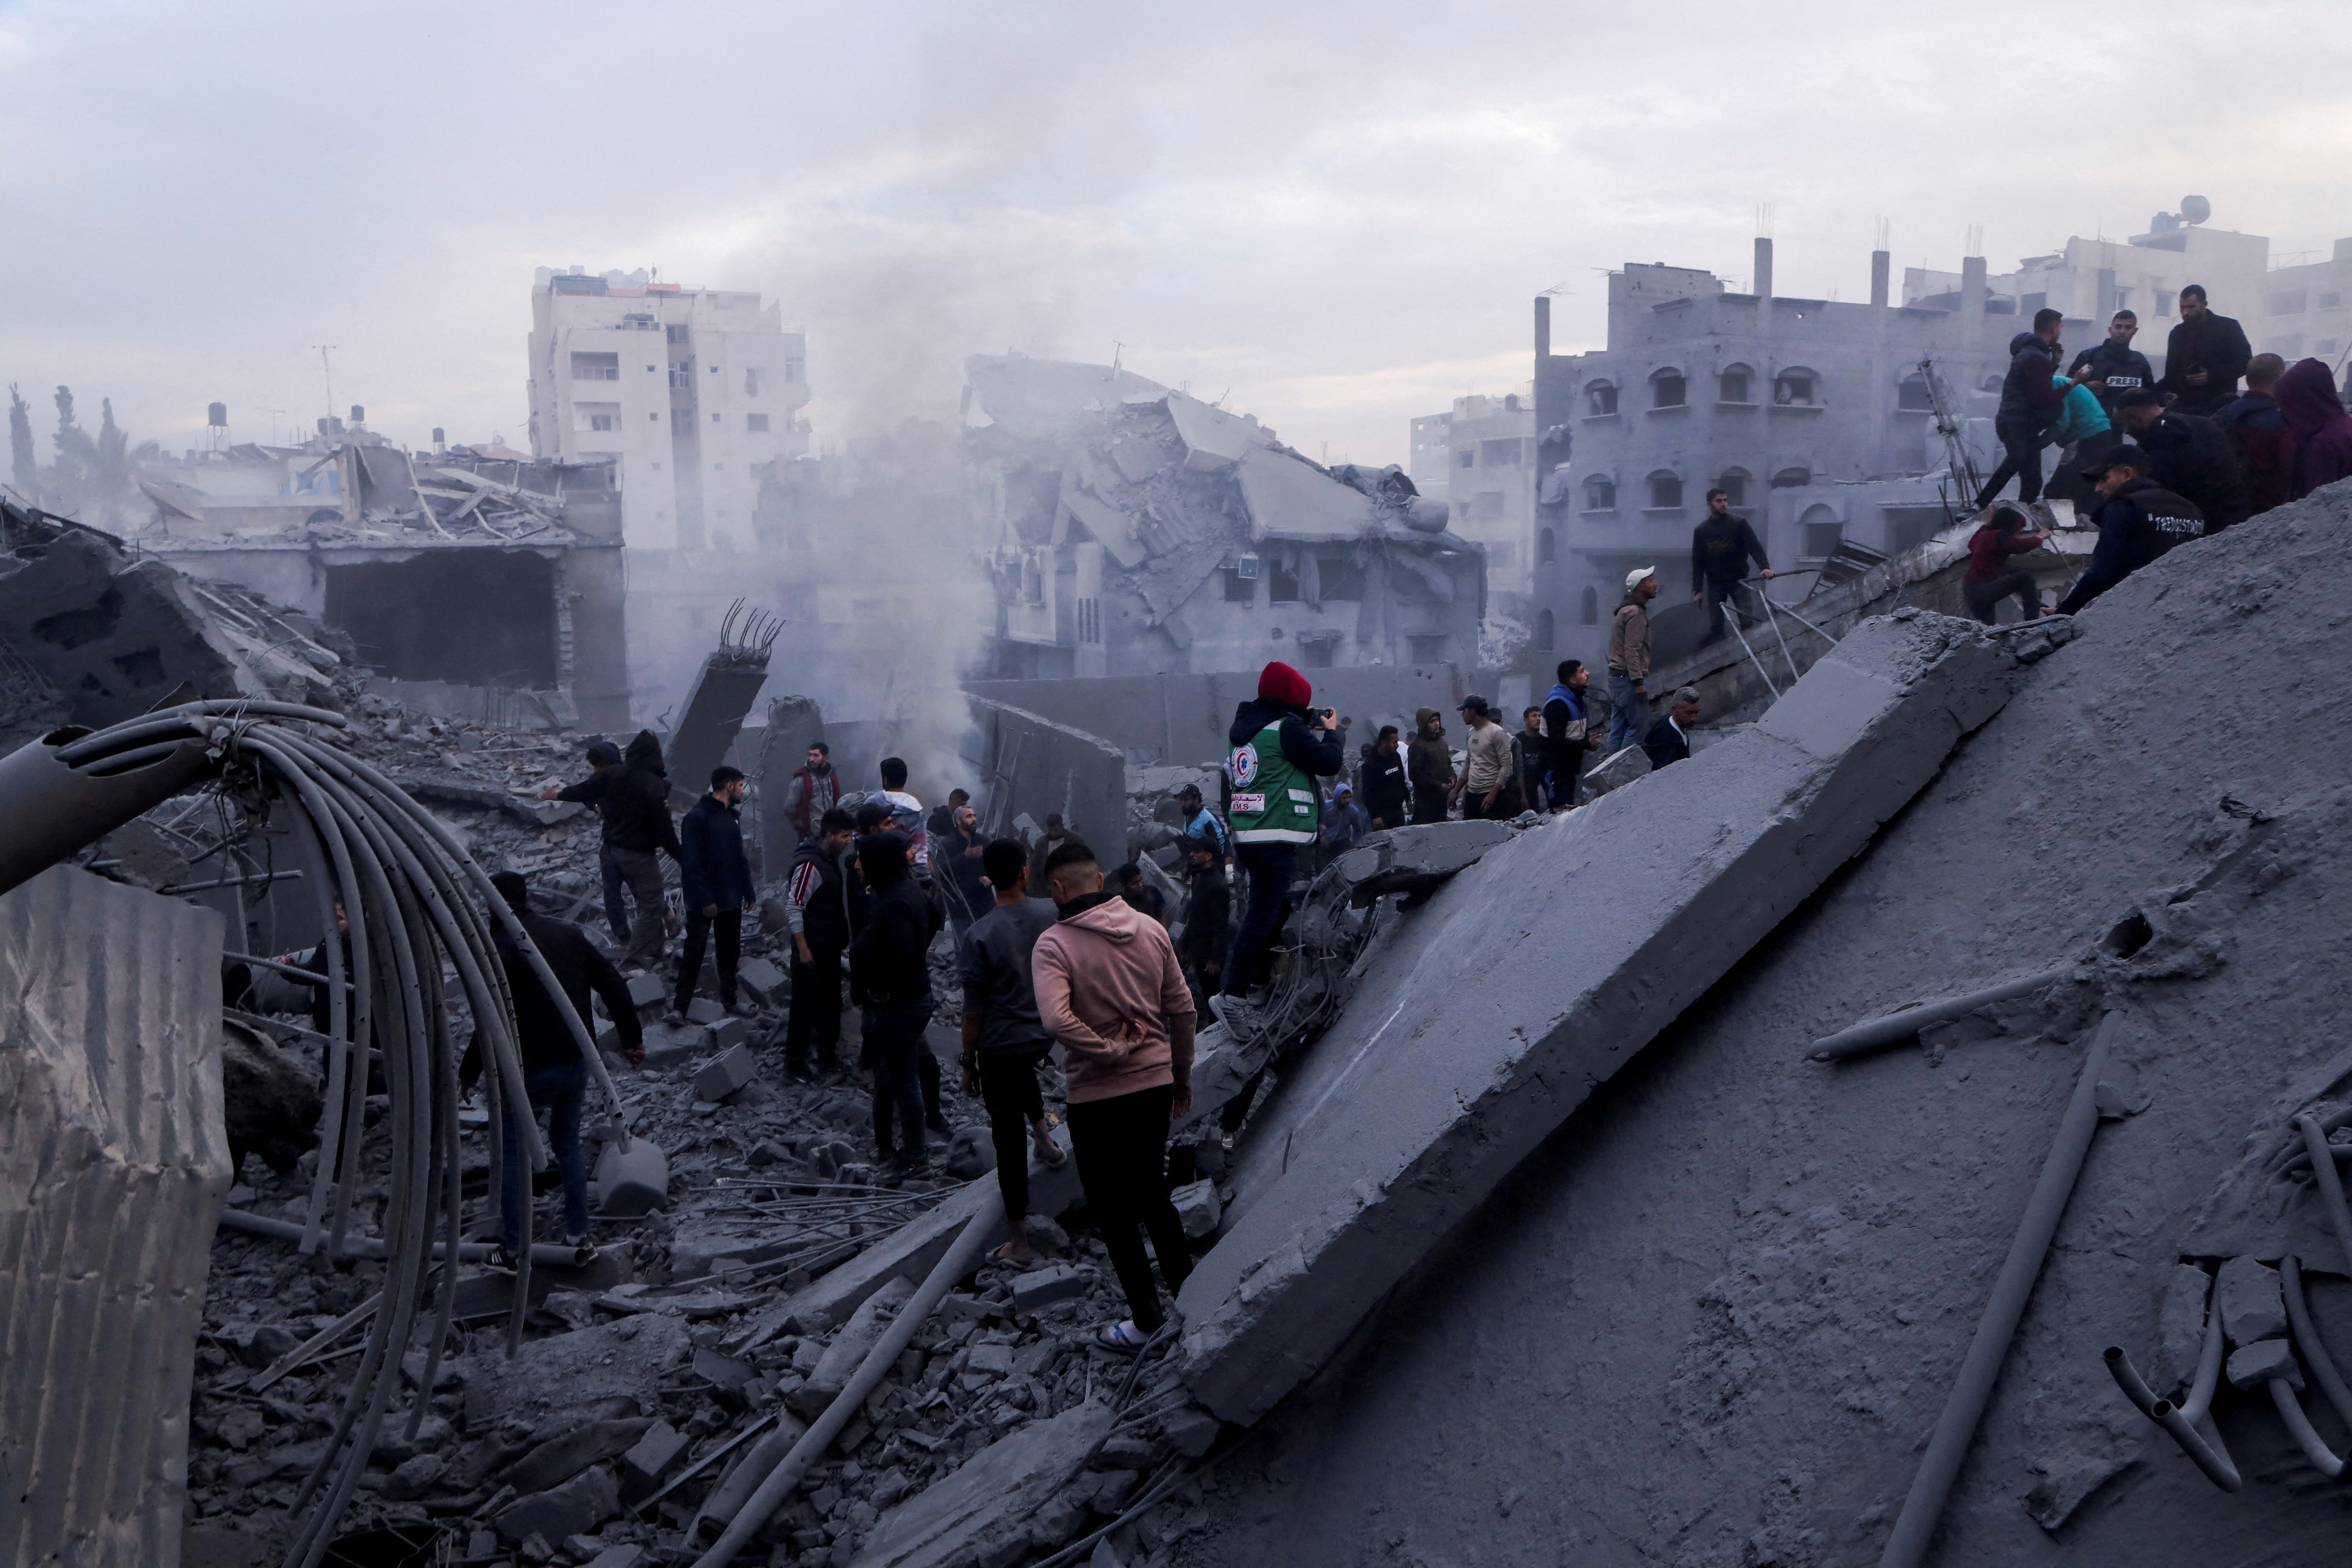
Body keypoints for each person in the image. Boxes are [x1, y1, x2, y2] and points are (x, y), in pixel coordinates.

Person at [1029, 837, 1197, 1352]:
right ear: (1099, 881)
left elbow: (1055, 1018)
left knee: (1115, 1210)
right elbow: (1185, 1010)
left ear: (1057, 889)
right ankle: (1194, 1298)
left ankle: (1147, 1322)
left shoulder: (1054, 945)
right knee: (1153, 1194)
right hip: (1154, 1085)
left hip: (1096, 1098)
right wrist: (1182, 1073)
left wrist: (1104, 1050)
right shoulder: (1151, 929)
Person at [484, 870, 642, 1262]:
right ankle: (578, 1236)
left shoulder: (499, 947)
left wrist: (469, 1070)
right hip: (576, 1060)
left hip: (531, 1068)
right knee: (567, 1142)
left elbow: (489, 1016)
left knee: (513, 1151)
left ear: (492, 901)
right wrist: (632, 1037)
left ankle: (514, 1248)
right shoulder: (567, 935)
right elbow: (612, 981)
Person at [1212, 661, 1342, 1042]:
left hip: (1251, 836)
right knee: (1261, 914)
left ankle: (1258, 981)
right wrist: (1332, 734)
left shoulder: (1248, 731)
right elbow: (1329, 762)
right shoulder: (1286, 729)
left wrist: (1304, 724)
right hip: (1274, 835)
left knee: (1273, 907)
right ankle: (1233, 995)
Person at [957, 838, 1068, 1263]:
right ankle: (1043, 1138)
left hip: (1002, 1043)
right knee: (1019, 1065)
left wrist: (969, 1063)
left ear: (989, 877)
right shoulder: (1050, 912)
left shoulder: (979, 934)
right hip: (1047, 1032)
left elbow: (973, 1010)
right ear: (1025, 872)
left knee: (1006, 1139)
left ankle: (1019, 1241)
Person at [849, 828, 943, 1178]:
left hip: (900, 1004)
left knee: (904, 1081)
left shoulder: (894, 902)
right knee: (891, 1074)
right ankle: (887, 1147)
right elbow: (933, 919)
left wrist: (878, 986)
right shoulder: (904, 891)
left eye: (863, 858)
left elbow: (903, 953)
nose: (857, 864)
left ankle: (916, 1158)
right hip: (911, 998)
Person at [543, 731, 678, 969]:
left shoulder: (618, 775)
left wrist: (561, 795)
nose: (597, 769)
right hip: (634, 852)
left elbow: (585, 790)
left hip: (615, 848)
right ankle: (634, 954)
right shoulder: (647, 783)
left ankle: (654, 948)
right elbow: (664, 827)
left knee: (643, 899)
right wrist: (682, 856)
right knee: (648, 901)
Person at [2054, 445, 2206, 615]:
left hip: (2139, 609)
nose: (2098, 488)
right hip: (2190, 606)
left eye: (2104, 479)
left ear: (2127, 474)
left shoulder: (2122, 508)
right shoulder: (2191, 510)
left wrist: (2063, 613)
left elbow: (2101, 573)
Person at [1975, 311, 2095, 510]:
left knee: (2033, 480)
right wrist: (2075, 382)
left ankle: (2022, 519)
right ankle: (1979, 505)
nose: (2061, 332)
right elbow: (2043, 399)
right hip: (2018, 423)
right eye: (2061, 327)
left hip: (2022, 423)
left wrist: (2054, 363)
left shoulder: (2033, 354)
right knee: (2016, 459)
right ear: (2054, 328)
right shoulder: (2035, 357)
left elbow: (2038, 385)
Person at [673, 765, 754, 1021]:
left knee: (729, 953)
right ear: (729, 786)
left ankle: (730, 1001)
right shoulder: (698, 818)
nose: (743, 791)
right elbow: (691, 863)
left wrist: (748, 889)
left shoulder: (732, 816)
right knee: (694, 953)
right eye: (741, 786)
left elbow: (738, 857)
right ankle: (680, 1008)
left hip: (731, 898)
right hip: (704, 902)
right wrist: (705, 899)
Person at [783, 808, 858, 1080]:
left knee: (829, 1003)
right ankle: (795, 1064)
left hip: (827, 949)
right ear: (829, 836)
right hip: (811, 951)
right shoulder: (810, 866)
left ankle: (827, 1056)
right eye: (845, 836)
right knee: (804, 1007)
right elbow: (794, 908)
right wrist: (803, 949)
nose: (849, 841)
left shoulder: (829, 860)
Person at [2113, 390, 2250, 530]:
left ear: (2133, 417)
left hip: (2199, 525)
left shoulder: (2154, 443)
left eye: (2123, 424)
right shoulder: (2204, 424)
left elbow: (2156, 496)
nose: (2125, 431)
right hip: (2237, 514)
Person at [542, 738, 628, 943]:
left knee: (641, 892)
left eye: (599, 765)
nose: (597, 770)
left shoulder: (626, 779)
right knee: (612, 892)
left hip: (632, 846)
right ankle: (625, 936)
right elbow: (588, 794)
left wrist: (558, 795)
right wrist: (596, 807)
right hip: (611, 842)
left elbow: (581, 791)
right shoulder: (603, 777)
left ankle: (652, 931)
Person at [1689, 489, 1776, 645]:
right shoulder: (1702, 531)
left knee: (1747, 622)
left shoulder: (1739, 524)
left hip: (1739, 581)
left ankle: (1748, 653)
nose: (1723, 504)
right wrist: (1698, 590)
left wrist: (1765, 567)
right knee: (1716, 626)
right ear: (1710, 504)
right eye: (1719, 501)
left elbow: (1754, 547)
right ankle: (1721, 661)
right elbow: (1698, 562)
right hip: (1716, 584)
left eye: (1725, 500)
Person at [2215, 354, 2297, 517]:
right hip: (2268, 511)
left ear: (2247, 380)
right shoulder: (2283, 421)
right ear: (2281, 376)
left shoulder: (2223, 414)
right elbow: (2290, 470)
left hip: (2226, 505)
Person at [2158, 284, 2254, 417]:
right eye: (2182, 307)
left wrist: (2212, 376)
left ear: (2204, 304)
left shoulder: (2228, 328)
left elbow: (2246, 362)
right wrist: (2165, 395)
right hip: (2184, 408)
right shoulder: (2178, 333)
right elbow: (2172, 374)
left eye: (2191, 307)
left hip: (2218, 409)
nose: (2185, 313)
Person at [2277, 356, 2352, 500]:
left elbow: (2315, 507)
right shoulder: (2344, 427)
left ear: (2303, 401)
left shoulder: (2322, 445)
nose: (2283, 413)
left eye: (2287, 404)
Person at [1961, 504, 2050, 625]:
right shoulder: (1999, 536)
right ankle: (2032, 624)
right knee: (2026, 578)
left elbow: (1972, 544)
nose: (2018, 533)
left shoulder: (1984, 535)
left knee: (1988, 629)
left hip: (1971, 590)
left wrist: (1989, 520)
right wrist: (2041, 537)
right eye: (2018, 529)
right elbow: (2020, 546)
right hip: (1983, 588)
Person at [2067, 309, 2157, 418]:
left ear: (2135, 331)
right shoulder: (2091, 357)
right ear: (2110, 330)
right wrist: (2086, 387)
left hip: (2127, 427)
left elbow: (2150, 394)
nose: (2122, 332)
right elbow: (2068, 386)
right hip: (2093, 424)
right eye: (2118, 327)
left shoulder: (2139, 361)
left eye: (2128, 327)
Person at [1606, 567, 1659, 753]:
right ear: (1639, 587)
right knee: (1638, 730)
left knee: (1618, 730)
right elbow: (1632, 650)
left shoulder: (1625, 610)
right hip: (1628, 678)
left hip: (1617, 678)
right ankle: (1625, 775)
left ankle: (1610, 775)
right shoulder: (1635, 613)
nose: (1656, 584)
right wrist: (1638, 682)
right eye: (1651, 580)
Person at [1542, 659, 1602, 811]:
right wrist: (1587, 744)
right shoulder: (1558, 705)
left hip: (1570, 768)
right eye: (1582, 671)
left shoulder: (1576, 700)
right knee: (1560, 812)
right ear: (1573, 680)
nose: (1587, 673)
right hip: (1556, 772)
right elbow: (1557, 744)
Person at [1176, 834, 1230, 1004]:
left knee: (1213, 994)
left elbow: (1221, 925)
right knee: (1204, 990)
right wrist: (1186, 944)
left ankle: (1218, 1027)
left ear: (1208, 856)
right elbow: (1195, 915)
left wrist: (1215, 959)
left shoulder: (1218, 886)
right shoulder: (1200, 878)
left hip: (1209, 954)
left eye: (1197, 852)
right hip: (1198, 949)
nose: (1192, 854)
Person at [1457, 695, 1518, 820]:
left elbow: (1507, 766)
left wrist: (1493, 794)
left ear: (1473, 712)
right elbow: (1469, 762)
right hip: (1473, 793)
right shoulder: (1471, 733)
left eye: (1465, 711)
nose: (1463, 714)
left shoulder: (1497, 733)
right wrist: (1456, 790)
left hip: (1492, 795)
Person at [936, 802, 991, 936]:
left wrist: (991, 878)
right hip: (961, 907)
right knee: (964, 947)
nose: (974, 819)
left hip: (984, 904)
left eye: (974, 816)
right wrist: (964, 856)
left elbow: (996, 864)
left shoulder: (984, 841)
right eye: (969, 816)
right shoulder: (948, 844)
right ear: (958, 821)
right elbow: (940, 870)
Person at [874, 757, 928, 876]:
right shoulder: (915, 809)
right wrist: (924, 879)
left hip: (874, 871)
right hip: (902, 873)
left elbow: (859, 838)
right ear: (905, 779)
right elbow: (920, 848)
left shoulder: (872, 803)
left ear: (885, 779)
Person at [780, 741, 840, 845]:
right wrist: (803, 828)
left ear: (825, 758)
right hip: (811, 835)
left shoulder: (831, 777)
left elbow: (838, 800)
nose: (812, 759)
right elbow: (789, 808)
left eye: (816, 755)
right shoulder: (801, 779)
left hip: (830, 833)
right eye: (810, 755)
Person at [1404, 706, 1454, 824]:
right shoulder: (1417, 745)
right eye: (1432, 722)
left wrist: (1453, 777)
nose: (1437, 724)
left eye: (1437, 720)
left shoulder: (1442, 743)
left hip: (1441, 799)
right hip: (1425, 799)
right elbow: (1415, 774)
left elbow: (1448, 764)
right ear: (1423, 724)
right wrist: (1438, 785)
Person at [1358, 725, 1409, 830]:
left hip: (1398, 811)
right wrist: (1375, 816)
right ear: (1383, 743)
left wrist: (1408, 800)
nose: (1397, 746)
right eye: (1394, 742)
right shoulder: (1371, 764)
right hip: (1382, 815)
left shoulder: (1396, 757)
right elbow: (1367, 793)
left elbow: (1401, 780)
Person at [1643, 687, 1701, 770]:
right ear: (1674, 710)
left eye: (1697, 713)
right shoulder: (1670, 740)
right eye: (1689, 713)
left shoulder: (1671, 722)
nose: (1694, 718)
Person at [1173, 784, 1229, 866]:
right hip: (1195, 862)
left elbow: (1223, 842)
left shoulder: (1208, 819)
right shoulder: (1188, 816)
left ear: (1196, 800)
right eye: (1181, 800)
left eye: (1186, 800)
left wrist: (1228, 866)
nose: (1182, 804)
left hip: (1210, 867)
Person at [1513, 707, 1551, 813]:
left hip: (1540, 782)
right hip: (1521, 786)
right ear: (1526, 721)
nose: (1539, 719)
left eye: (1540, 716)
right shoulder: (1517, 740)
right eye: (1534, 716)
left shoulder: (1546, 740)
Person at [1026, 814, 1072, 898]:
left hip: (1069, 885)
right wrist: (1031, 883)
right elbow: (1035, 865)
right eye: (1051, 830)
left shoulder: (1074, 840)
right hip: (1047, 887)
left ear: (1062, 826)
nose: (1053, 833)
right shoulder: (1041, 843)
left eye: (1056, 830)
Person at [1114, 862, 1169, 926]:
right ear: (1124, 885)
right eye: (1135, 883)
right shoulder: (1118, 904)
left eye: (1140, 880)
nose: (1140, 885)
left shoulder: (1152, 892)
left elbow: (1161, 917)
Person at [1321, 781, 1371, 852]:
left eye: (1349, 797)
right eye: (1344, 798)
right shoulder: (1327, 807)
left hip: (1342, 842)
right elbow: (1318, 822)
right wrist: (1322, 836)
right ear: (1338, 798)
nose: (1347, 800)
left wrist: (1355, 847)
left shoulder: (1354, 811)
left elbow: (1357, 831)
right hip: (1326, 840)